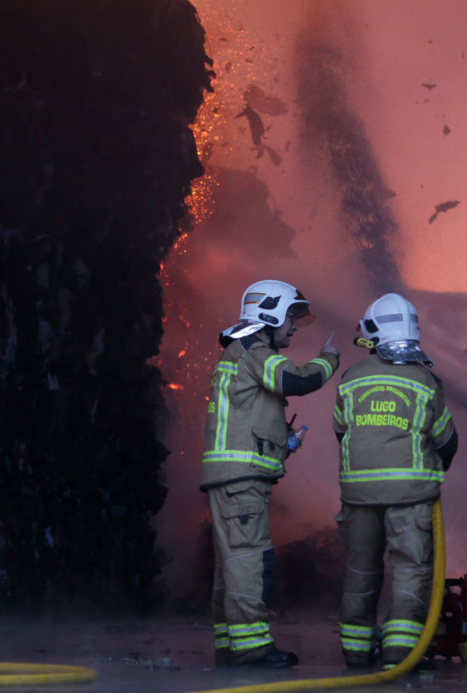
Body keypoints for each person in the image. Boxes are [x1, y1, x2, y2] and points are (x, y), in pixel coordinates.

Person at [201, 279, 339, 668]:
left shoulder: (240, 353)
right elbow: (297, 380)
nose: (295, 327)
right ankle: (252, 649)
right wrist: (329, 358)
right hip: (240, 480)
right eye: (291, 317)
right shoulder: (254, 350)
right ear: (270, 313)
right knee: (250, 562)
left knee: (233, 565)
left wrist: (283, 446)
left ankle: (232, 646)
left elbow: (247, 420)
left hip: (235, 477)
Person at [333, 292, 457, 670]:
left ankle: (355, 652)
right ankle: (399, 655)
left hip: (358, 496)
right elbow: (447, 441)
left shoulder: (351, 379)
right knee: (411, 570)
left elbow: (341, 431)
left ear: (372, 333)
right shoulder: (425, 380)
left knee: (361, 569)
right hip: (411, 497)